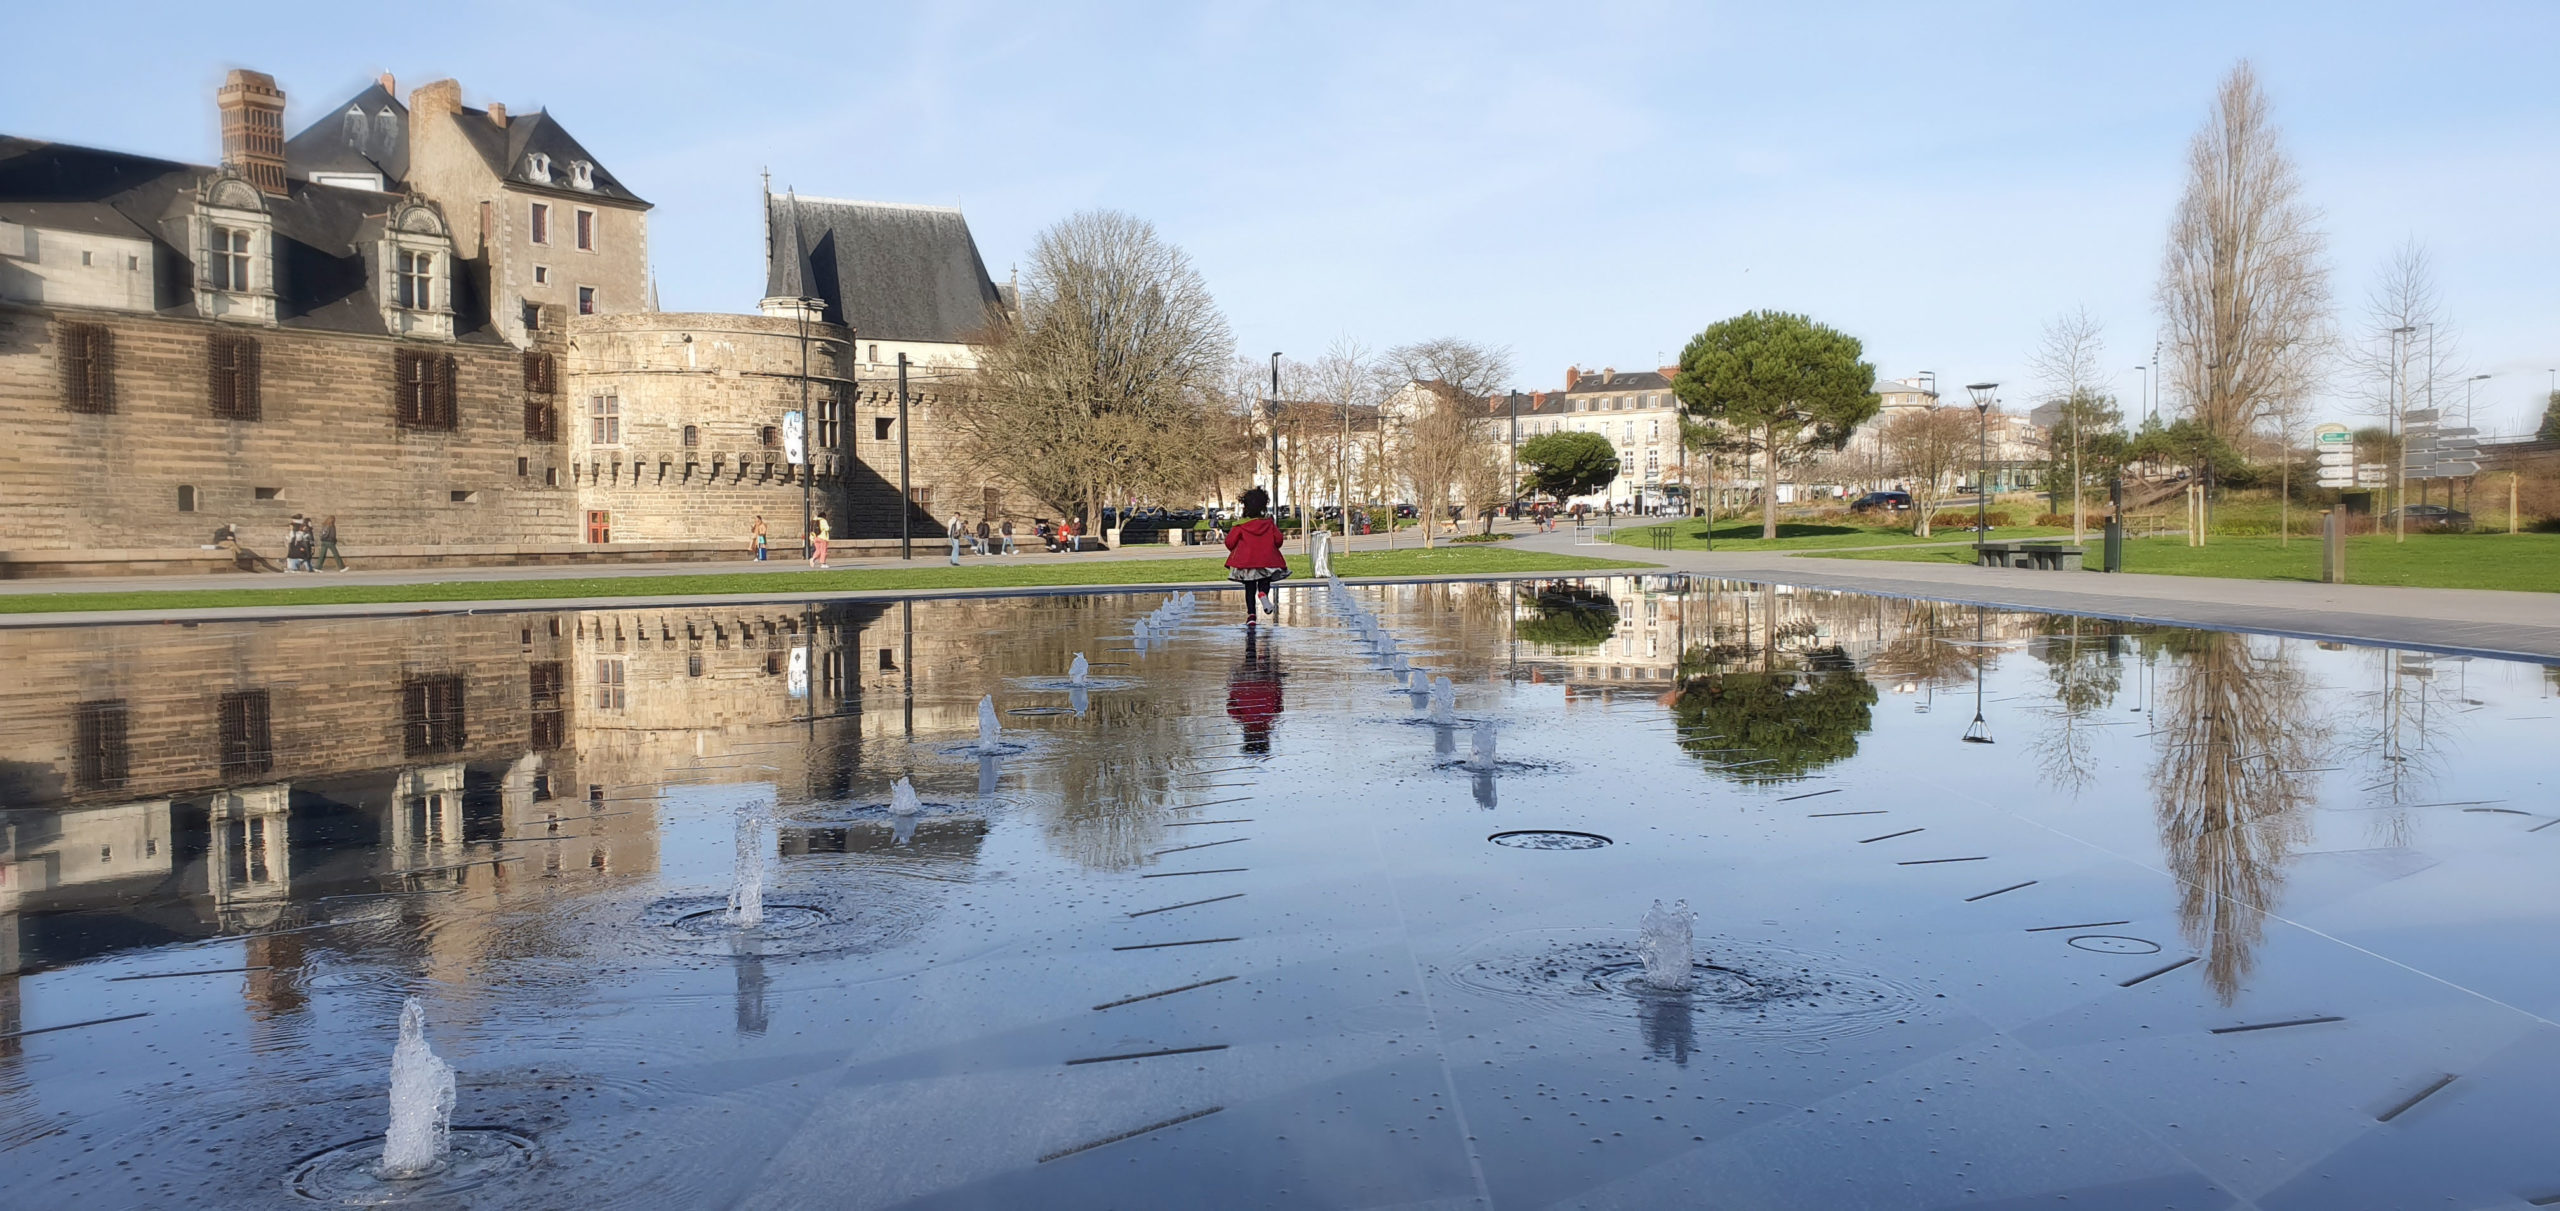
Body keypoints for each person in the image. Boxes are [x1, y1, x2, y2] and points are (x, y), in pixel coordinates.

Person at [1223, 487, 1289, 625]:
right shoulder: (1269, 523)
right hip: (1266, 561)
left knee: (1249, 589)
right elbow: (1279, 540)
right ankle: (1263, 594)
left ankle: (1251, 615)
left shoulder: (1240, 526)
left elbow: (1229, 542)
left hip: (1247, 563)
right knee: (1265, 581)